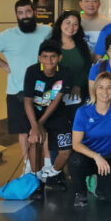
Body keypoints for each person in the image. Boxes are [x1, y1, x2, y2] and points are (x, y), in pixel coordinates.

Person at [0, 0, 51, 175]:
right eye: (20, 13)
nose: (24, 16)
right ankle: (28, 167)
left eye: (28, 11)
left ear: (34, 12)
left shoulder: (47, 31)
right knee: (23, 132)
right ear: (16, 15)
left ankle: (47, 166)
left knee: (45, 129)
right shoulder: (8, 35)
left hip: (43, 90)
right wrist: (3, 66)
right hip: (16, 91)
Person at [23, 39, 73, 196]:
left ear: (59, 58)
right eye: (45, 56)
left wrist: (41, 124)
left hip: (57, 113)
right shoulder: (32, 71)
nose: (49, 61)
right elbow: (27, 101)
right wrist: (35, 126)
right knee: (35, 141)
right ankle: (37, 181)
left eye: (53, 56)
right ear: (39, 58)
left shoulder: (65, 72)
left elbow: (56, 100)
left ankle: (51, 175)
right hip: (34, 114)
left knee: (66, 150)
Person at [70, 72, 111, 207]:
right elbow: (76, 144)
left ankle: (97, 183)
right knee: (75, 161)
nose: (105, 91)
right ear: (94, 90)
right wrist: (96, 156)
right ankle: (80, 192)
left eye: (109, 87)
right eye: (100, 87)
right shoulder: (83, 112)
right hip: (89, 158)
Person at [51, 10, 93, 116]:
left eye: (75, 24)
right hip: (54, 95)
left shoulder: (81, 44)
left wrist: (78, 85)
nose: (71, 27)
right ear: (60, 23)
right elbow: (43, 69)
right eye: (68, 22)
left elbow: (87, 67)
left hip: (78, 94)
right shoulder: (50, 44)